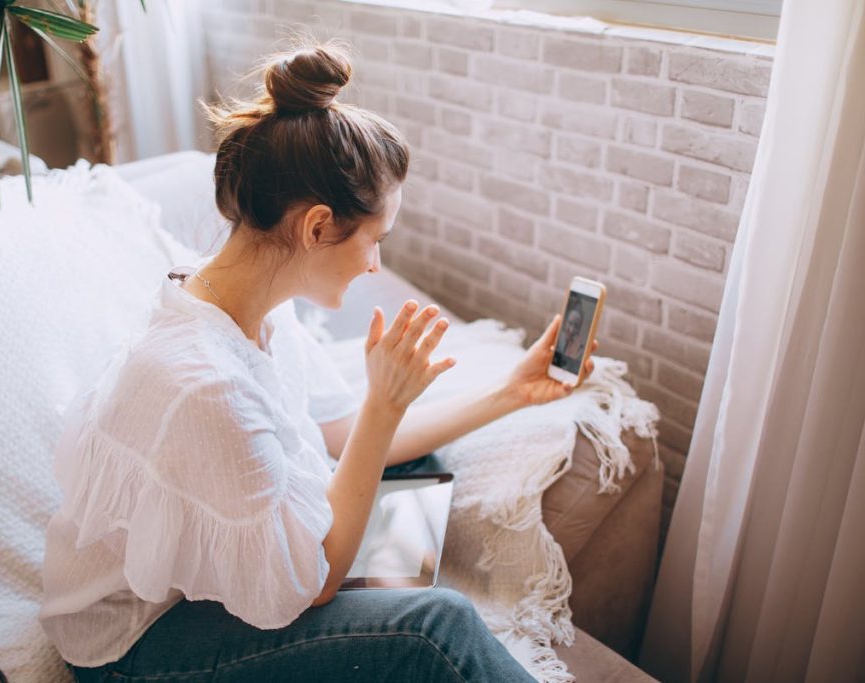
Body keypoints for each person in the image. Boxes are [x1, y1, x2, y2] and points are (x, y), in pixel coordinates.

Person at [40, 42, 594, 683]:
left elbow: (345, 439)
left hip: (201, 595)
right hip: (137, 651)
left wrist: (510, 392)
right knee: (436, 626)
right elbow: (319, 581)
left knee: (414, 468)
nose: (376, 267)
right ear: (316, 227)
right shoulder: (203, 386)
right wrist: (385, 405)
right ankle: (389, 630)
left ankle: (374, 626)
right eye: (375, 241)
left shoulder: (256, 310)